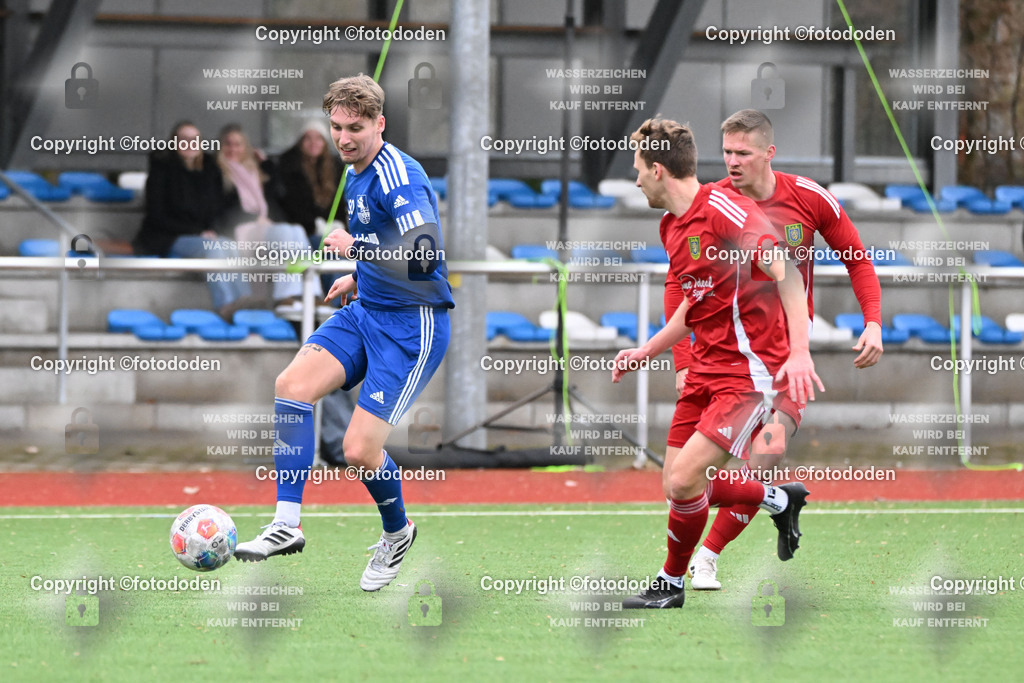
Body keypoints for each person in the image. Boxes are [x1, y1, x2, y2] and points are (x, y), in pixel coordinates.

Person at [235, 74, 453, 593]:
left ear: (380, 123)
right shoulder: (355, 171)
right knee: (291, 386)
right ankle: (286, 524)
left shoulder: (400, 176)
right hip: (368, 310)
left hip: (412, 327)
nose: (344, 137)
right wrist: (360, 274)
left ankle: (397, 533)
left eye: (355, 127)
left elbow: (422, 258)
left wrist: (356, 250)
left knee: (358, 450)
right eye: (336, 126)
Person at [613, 117, 824, 609]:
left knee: (687, 479)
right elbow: (696, 303)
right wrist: (648, 349)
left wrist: (798, 352)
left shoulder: (726, 210)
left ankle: (670, 584)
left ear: (659, 170)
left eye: (638, 168)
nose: (635, 178)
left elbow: (786, 273)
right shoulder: (671, 226)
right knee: (676, 484)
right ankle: (778, 499)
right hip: (705, 371)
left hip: (747, 376)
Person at [678, 109, 883, 591]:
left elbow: (857, 259)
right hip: (723, 361)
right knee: (690, 476)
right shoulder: (710, 203)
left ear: (769, 153)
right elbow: (681, 285)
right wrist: (682, 360)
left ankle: (707, 555)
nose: (731, 162)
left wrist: (873, 321)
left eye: (742, 153)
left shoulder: (809, 197)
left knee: (767, 452)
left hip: (787, 360)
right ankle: (778, 501)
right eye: (726, 152)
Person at [131, 121, 250, 317]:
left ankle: (243, 302)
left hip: (201, 236)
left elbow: (218, 208)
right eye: (183, 139)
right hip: (168, 237)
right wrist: (198, 232)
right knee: (214, 248)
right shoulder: (161, 170)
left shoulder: (209, 171)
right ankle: (225, 305)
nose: (190, 143)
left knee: (228, 244)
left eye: (194, 139)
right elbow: (157, 216)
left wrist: (211, 230)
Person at [216, 123, 321, 316]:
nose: (233, 149)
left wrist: (265, 164)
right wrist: (255, 218)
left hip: (262, 228)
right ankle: (285, 297)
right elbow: (221, 209)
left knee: (296, 230)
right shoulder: (217, 171)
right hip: (239, 230)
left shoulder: (256, 170)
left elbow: (274, 197)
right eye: (228, 144)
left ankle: (312, 294)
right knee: (282, 232)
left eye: (238, 144)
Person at [275, 121, 344, 238]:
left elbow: (340, 203)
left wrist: (339, 224)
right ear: (300, 142)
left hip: (332, 229)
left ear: (324, 143)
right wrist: (314, 226)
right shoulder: (289, 167)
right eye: (308, 138)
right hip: (302, 231)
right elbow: (292, 205)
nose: (313, 143)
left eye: (318, 138)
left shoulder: (335, 168)